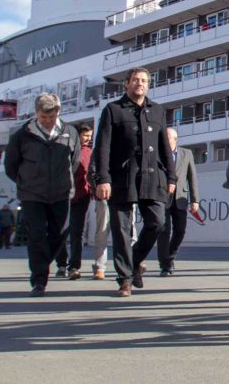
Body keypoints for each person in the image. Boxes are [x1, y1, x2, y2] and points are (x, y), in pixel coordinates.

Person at [92, 67, 177, 297]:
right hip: (121, 177)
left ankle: (135, 260)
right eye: (135, 80)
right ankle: (125, 280)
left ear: (148, 85)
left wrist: (171, 176)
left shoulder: (157, 110)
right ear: (126, 84)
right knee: (121, 230)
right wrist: (102, 178)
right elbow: (102, 147)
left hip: (152, 176)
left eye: (144, 81)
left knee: (157, 222)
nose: (140, 84)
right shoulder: (113, 110)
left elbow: (165, 148)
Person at [4, 93, 81, 297]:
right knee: (37, 236)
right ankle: (39, 280)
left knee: (61, 232)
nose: (47, 121)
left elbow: (74, 163)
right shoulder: (22, 135)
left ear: (58, 112)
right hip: (32, 195)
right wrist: (26, 182)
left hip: (61, 192)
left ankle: (41, 262)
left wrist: (64, 182)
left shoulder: (70, 133)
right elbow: (11, 166)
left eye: (51, 116)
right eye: (43, 117)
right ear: (36, 113)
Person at [157, 127, 200, 276]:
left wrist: (195, 200)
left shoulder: (186, 153)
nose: (164, 140)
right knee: (164, 231)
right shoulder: (158, 153)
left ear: (175, 139)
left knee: (180, 230)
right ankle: (165, 264)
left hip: (180, 198)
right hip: (162, 198)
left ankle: (170, 256)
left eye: (167, 137)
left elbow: (192, 177)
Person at [62, 123, 96, 280]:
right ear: (77, 135)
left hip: (82, 196)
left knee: (78, 232)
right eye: (85, 135)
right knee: (61, 231)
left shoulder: (90, 152)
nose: (88, 139)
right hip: (64, 195)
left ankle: (74, 266)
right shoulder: (66, 150)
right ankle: (61, 262)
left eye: (90, 136)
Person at [85, 130, 112, 280]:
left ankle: (133, 263)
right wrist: (99, 187)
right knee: (102, 230)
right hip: (104, 196)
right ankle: (100, 267)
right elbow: (92, 171)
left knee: (130, 231)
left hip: (126, 193)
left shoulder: (127, 145)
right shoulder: (100, 149)